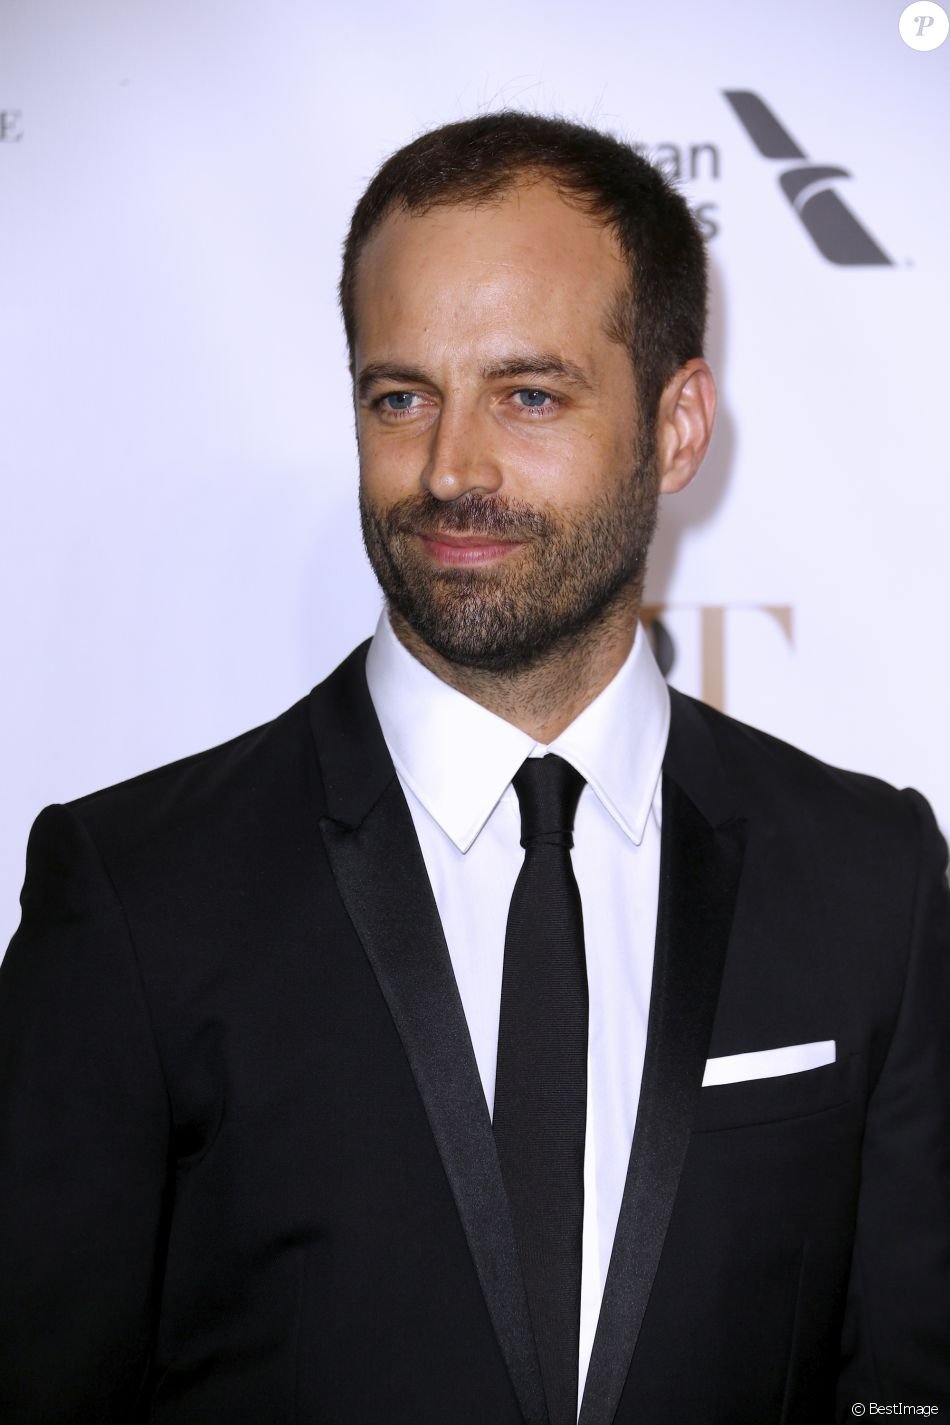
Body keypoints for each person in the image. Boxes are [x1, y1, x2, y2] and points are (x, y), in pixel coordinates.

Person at [0, 111, 947, 1425]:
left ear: (675, 429)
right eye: (401, 396)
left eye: (528, 393)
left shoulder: (867, 876)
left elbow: (906, 1384)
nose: (450, 469)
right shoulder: (136, 894)